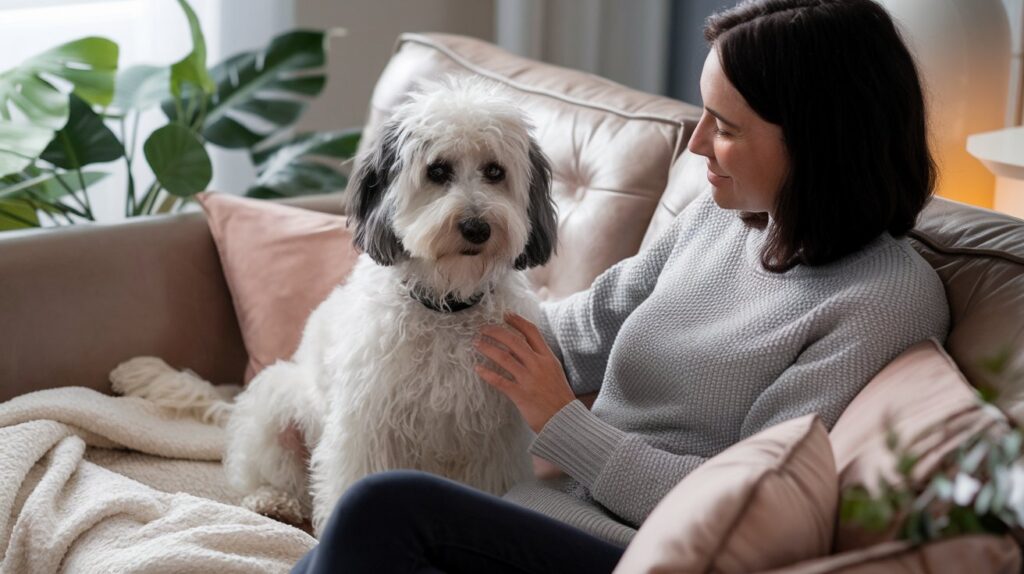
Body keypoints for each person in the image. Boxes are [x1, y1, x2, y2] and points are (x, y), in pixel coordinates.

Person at [291, 0, 950, 571]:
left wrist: (563, 422)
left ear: (820, 141)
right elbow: (575, 334)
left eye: (725, 127)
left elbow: (747, 507)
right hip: (544, 512)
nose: (694, 146)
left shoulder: (882, 302)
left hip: (640, 550)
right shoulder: (720, 222)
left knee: (383, 509)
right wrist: (428, 315)